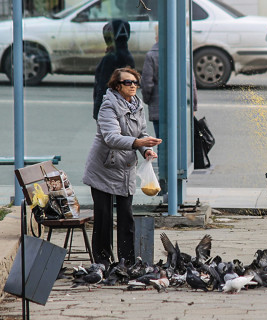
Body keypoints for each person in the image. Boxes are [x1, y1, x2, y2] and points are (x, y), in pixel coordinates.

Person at [83, 67, 162, 267]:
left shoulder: (137, 105)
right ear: (117, 86)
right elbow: (110, 138)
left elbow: (142, 132)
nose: (133, 85)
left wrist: (146, 151)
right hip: (103, 168)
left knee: (126, 216)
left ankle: (126, 262)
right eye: (128, 82)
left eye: (135, 82)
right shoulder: (108, 106)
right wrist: (139, 144)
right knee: (104, 218)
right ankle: (103, 263)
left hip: (125, 168)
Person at [142, 24, 198, 138]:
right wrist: (194, 105)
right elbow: (191, 83)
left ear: (158, 36)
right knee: (177, 141)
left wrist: (148, 100)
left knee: (161, 141)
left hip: (158, 107)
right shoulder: (182, 55)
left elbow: (147, 83)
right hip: (179, 108)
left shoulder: (152, 55)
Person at [93, 19, 135, 121]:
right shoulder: (127, 56)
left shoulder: (111, 58)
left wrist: (97, 110)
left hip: (110, 111)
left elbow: (104, 86)